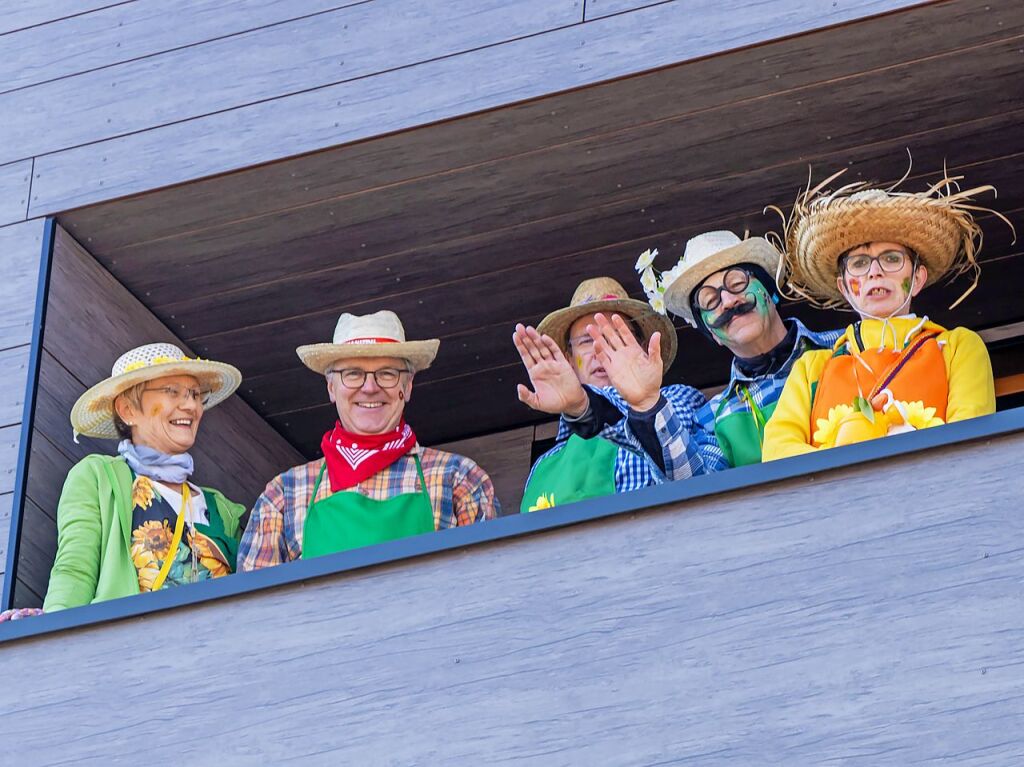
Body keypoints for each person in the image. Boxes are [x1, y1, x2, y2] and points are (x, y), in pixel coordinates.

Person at [762, 170, 1007, 459]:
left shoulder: (959, 348)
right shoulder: (811, 368)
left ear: (917, 279)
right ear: (845, 288)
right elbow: (777, 452)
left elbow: (969, 442)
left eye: (892, 258)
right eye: (860, 263)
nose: (874, 272)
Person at [238, 311, 499, 568]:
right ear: (331, 388)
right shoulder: (284, 494)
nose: (370, 387)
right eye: (353, 373)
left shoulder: (458, 479)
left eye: (387, 373)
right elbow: (255, 607)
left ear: (407, 387)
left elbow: (488, 587)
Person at [34, 343, 244, 615]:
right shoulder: (99, 477)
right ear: (127, 410)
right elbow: (75, 569)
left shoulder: (220, 507)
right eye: (172, 392)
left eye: (195, 394)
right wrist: (52, 637)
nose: (191, 405)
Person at [514, 277, 708, 512]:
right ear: (568, 360)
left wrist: (587, 406)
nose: (599, 350)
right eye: (587, 341)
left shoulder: (676, 400)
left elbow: (691, 484)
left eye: (613, 336)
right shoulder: (543, 467)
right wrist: (580, 408)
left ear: (642, 348)